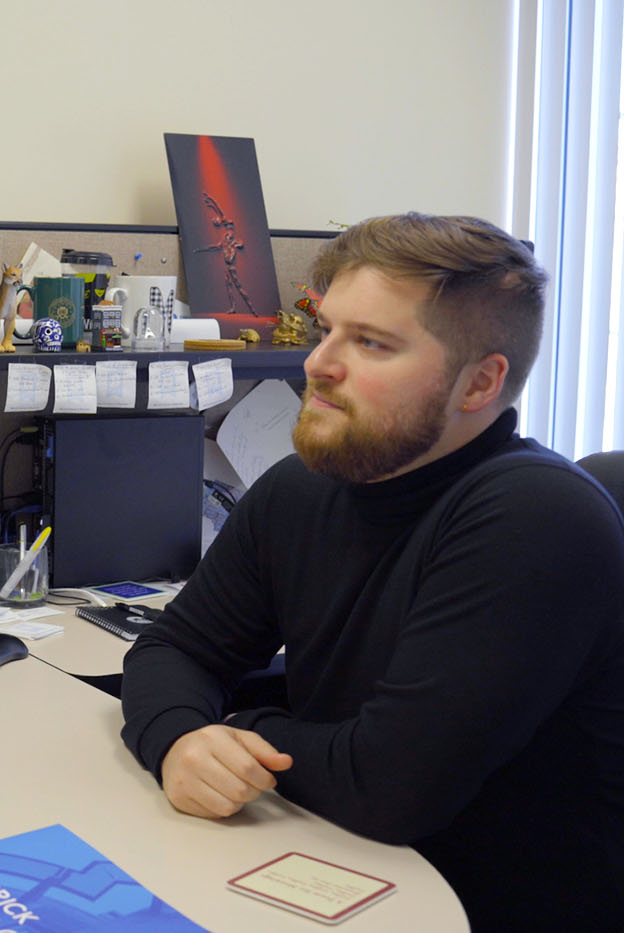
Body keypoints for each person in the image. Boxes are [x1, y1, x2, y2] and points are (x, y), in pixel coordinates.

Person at [120, 213, 624, 931]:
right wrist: (177, 737)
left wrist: (236, 724)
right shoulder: (304, 487)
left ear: (480, 382)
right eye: (327, 330)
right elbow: (175, 648)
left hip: (481, 905)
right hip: (339, 870)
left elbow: (388, 787)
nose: (319, 363)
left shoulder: (538, 516)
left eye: (371, 343)